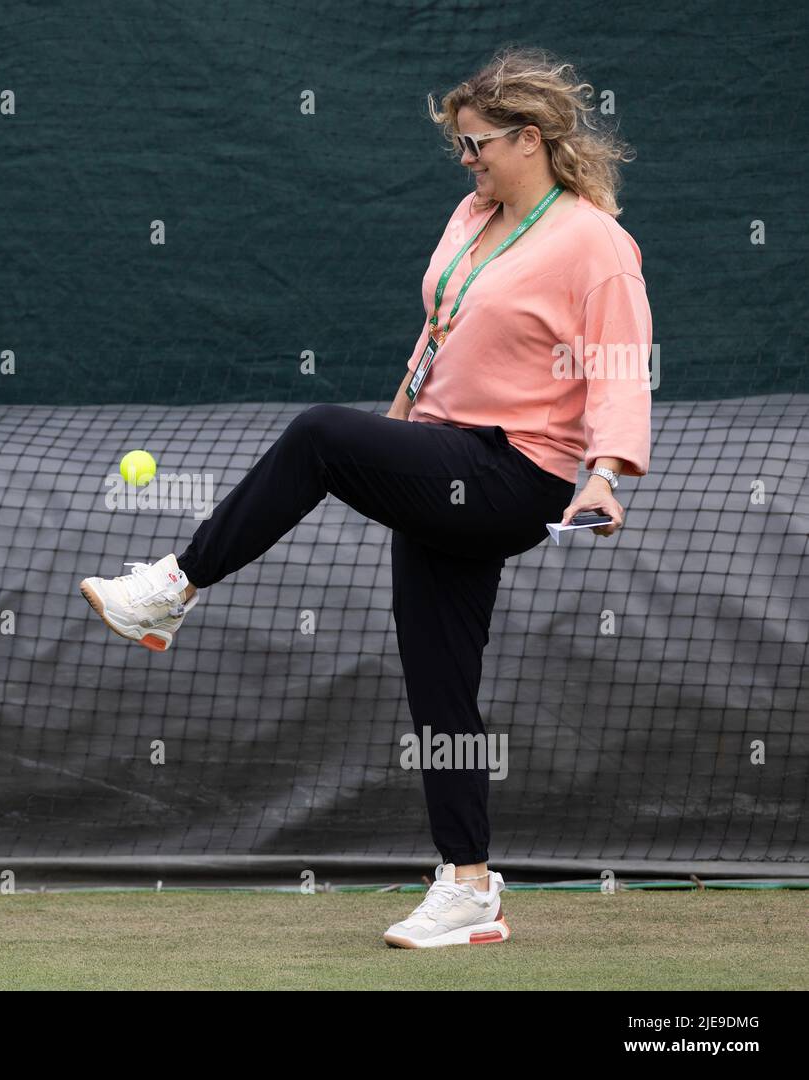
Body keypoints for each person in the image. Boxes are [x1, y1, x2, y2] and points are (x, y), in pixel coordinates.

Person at [79, 46, 652, 948]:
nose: (466, 162)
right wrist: (394, 434)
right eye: (459, 148)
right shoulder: (471, 216)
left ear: (530, 139)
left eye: (478, 145)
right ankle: (468, 887)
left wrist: (608, 477)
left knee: (316, 431)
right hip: (440, 457)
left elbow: (620, 366)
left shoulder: (594, 242)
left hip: (516, 471)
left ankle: (172, 589)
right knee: (440, 689)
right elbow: (437, 333)